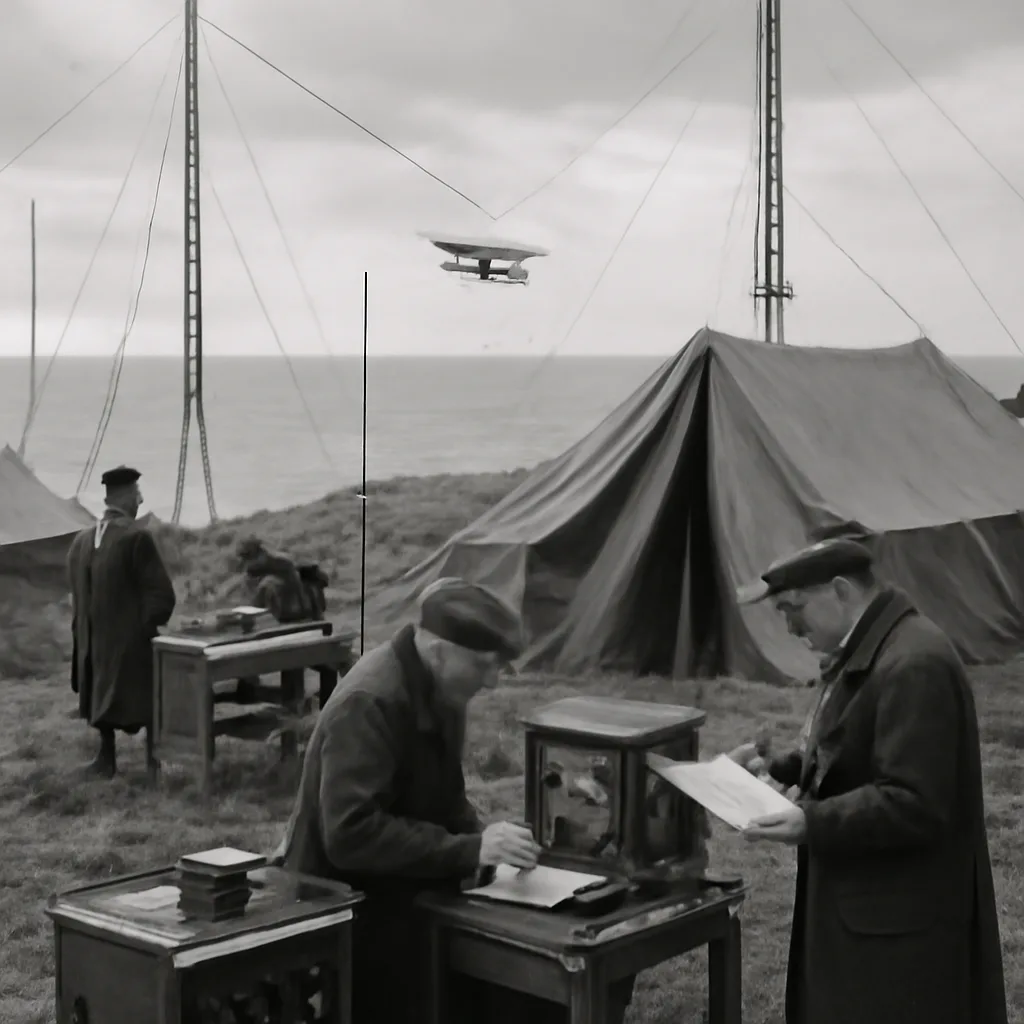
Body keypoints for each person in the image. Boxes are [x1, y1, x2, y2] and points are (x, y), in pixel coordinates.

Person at [728, 533, 1007, 1024]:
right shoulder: (873, 646)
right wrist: (781, 769)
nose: (790, 627)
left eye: (793, 608)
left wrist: (810, 823)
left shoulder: (913, 664)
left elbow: (915, 801)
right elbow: (855, 742)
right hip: (870, 915)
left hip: (900, 936)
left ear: (840, 590)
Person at [272, 577, 544, 1022]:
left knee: (527, 973)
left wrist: (491, 850)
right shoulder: (370, 704)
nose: (493, 682)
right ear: (439, 652)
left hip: (404, 887)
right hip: (347, 907)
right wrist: (469, 850)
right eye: (483, 666)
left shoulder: (439, 688)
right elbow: (350, 835)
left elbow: (446, 802)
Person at [67, 466, 177, 778]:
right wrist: (145, 629)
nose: (140, 501)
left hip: (90, 641)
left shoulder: (80, 542)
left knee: (101, 689)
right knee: (148, 691)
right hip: (129, 643)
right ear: (127, 497)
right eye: (137, 494)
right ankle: (153, 762)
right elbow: (160, 595)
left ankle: (107, 756)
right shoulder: (136, 538)